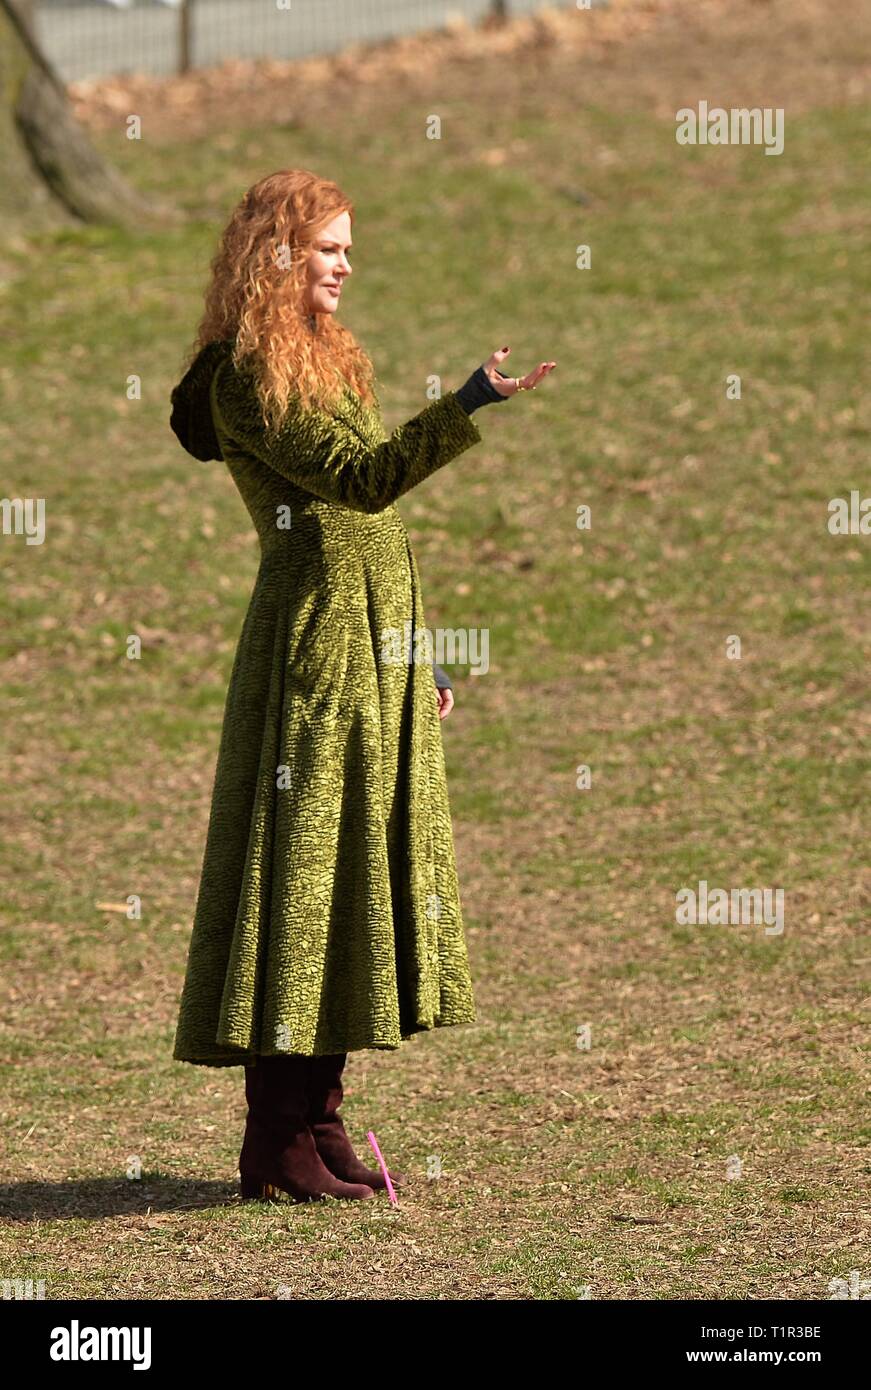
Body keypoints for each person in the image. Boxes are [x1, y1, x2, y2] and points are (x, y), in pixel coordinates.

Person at [168, 168, 556, 1204]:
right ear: (278, 253)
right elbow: (359, 483)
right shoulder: (246, 375)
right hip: (313, 654)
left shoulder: (325, 356)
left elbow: (373, 531)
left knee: (354, 880)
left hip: (374, 647)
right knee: (300, 887)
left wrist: (416, 654)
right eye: (328, 247)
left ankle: (323, 1118)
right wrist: (469, 403)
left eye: (348, 248)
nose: (344, 265)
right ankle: (275, 1139)